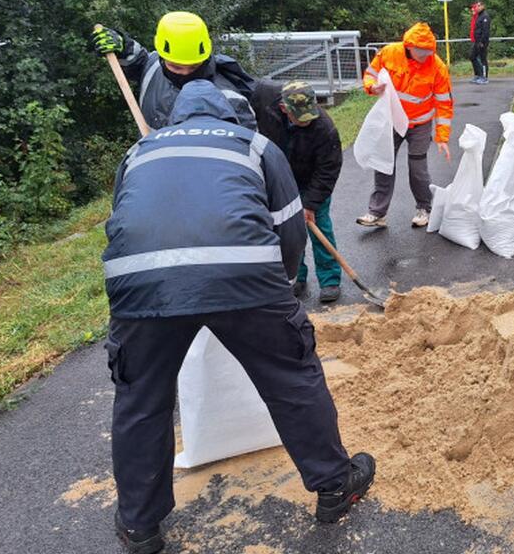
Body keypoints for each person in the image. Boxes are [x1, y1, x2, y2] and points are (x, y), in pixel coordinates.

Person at [102, 81, 374, 553]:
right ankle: (334, 486)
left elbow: (125, 221)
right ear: (236, 117)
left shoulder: (138, 151)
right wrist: (279, 303)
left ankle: (140, 525)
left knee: (140, 400)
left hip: (141, 286)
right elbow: (289, 233)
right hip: (243, 279)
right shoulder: (256, 146)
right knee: (292, 377)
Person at [252, 79, 344, 304]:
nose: (307, 121)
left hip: (312, 181)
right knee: (287, 231)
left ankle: (330, 279)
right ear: (284, 108)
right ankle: (296, 277)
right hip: (280, 181)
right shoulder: (266, 102)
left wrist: (310, 204)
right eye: (300, 117)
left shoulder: (324, 129)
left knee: (319, 227)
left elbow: (327, 171)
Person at [356, 22, 453, 229]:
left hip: (420, 123)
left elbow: (444, 102)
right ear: (409, 46)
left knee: (417, 168)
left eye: (429, 52)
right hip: (392, 120)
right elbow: (370, 74)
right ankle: (377, 213)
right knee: (384, 163)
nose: (425, 56)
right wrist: (372, 88)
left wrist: (442, 137)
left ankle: (425, 209)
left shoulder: (437, 66)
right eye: (421, 52)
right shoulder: (389, 53)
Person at [90, 11, 257, 131]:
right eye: (176, 66)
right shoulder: (152, 67)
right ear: (162, 57)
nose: (184, 73)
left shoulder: (230, 98)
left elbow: (246, 152)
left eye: (193, 67)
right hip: (153, 164)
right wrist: (122, 46)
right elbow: (138, 61)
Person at [469, 1, 492, 84]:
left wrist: (482, 42)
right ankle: (478, 75)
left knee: (483, 59)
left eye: (478, 6)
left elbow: (486, 31)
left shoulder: (485, 16)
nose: (477, 8)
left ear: (483, 6)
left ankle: (484, 77)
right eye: (476, 6)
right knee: (472, 56)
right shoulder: (479, 16)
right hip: (477, 41)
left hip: (482, 42)